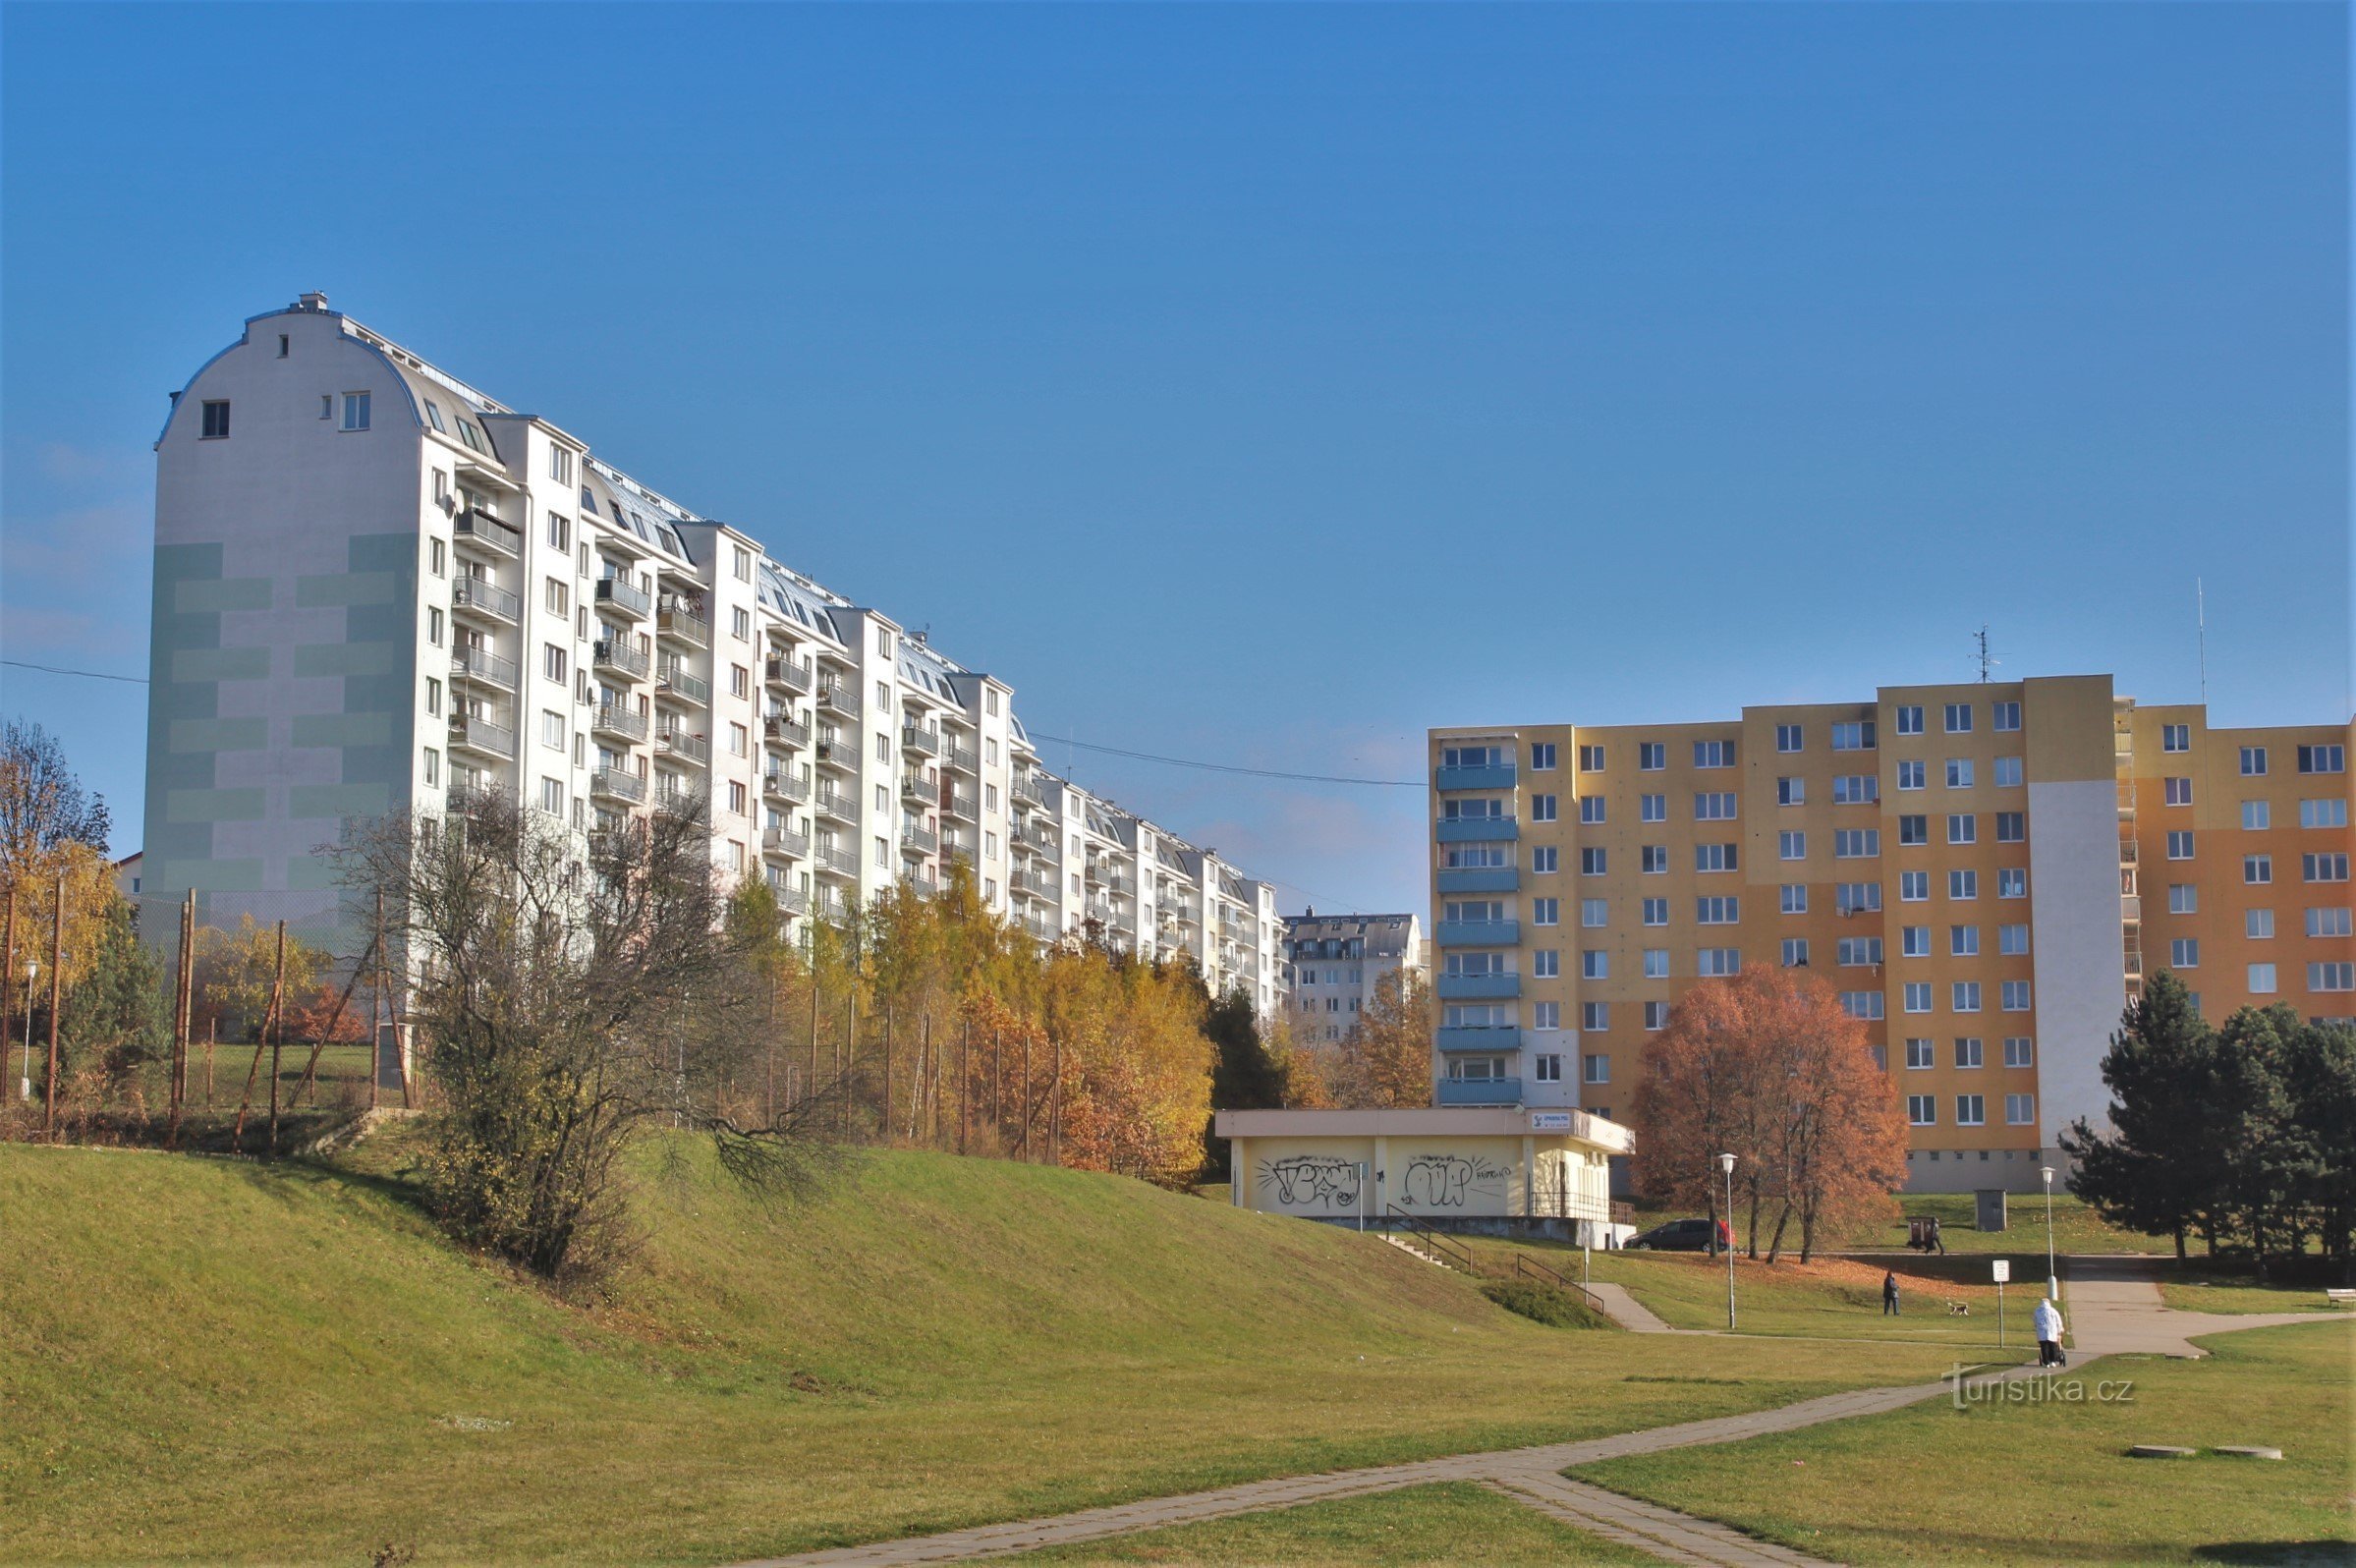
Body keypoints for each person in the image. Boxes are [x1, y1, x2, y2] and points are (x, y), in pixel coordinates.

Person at [2034, 1296, 2065, 1367]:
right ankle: (2053, 1361)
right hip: (2052, 1331)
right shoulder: (2053, 1311)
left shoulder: (2037, 1311)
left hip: (2042, 1332)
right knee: (2052, 1346)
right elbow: (2058, 1321)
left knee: (2044, 1347)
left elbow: (2035, 1321)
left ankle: (2046, 1362)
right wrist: (2060, 1329)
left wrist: (2037, 1327)